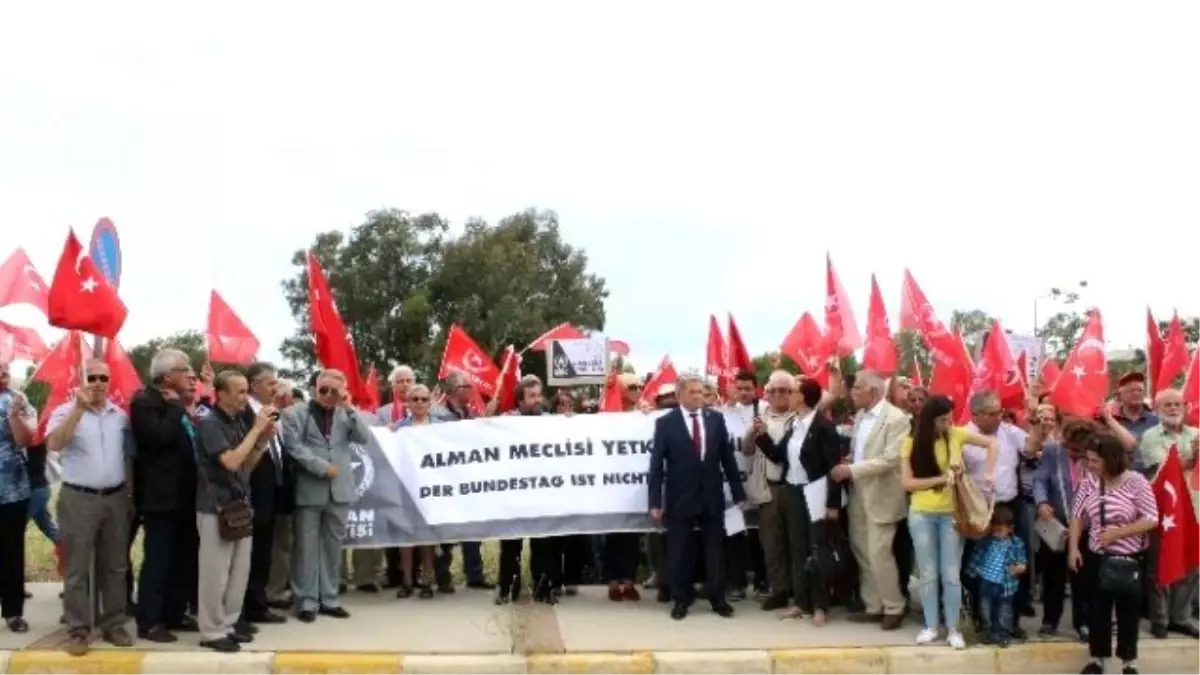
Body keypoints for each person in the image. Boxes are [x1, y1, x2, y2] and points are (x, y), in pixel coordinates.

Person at [48, 359, 135, 655]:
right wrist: (79, 410)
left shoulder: (119, 416)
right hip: (78, 498)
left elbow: (127, 456)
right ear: (82, 379)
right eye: (92, 377)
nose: (98, 382)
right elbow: (55, 444)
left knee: (115, 565)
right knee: (77, 567)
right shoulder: (64, 411)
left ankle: (113, 624)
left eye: (103, 377)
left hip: (115, 497)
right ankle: (78, 629)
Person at [901, 395, 997, 649]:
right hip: (921, 513)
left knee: (951, 574)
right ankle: (932, 625)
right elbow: (908, 483)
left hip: (952, 514)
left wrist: (988, 472)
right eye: (943, 419)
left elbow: (992, 444)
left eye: (949, 418)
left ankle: (954, 628)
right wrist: (942, 479)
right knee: (928, 573)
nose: (948, 423)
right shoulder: (911, 442)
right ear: (930, 419)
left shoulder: (956, 434)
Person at [648, 373, 745, 621]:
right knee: (679, 549)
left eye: (701, 392)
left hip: (711, 495)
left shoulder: (715, 419)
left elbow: (727, 458)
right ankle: (681, 599)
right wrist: (655, 502)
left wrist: (737, 492)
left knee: (715, 549)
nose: (699, 396)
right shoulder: (666, 423)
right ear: (680, 395)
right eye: (693, 392)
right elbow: (657, 465)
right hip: (679, 496)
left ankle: (718, 598)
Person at [195, 370, 277, 652]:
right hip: (215, 507)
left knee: (238, 572)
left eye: (246, 391)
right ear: (221, 394)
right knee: (215, 573)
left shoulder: (238, 423)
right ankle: (211, 630)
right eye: (240, 391)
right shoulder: (210, 423)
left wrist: (263, 440)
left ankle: (228, 624)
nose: (246, 397)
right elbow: (229, 461)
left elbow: (246, 464)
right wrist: (255, 429)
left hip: (240, 504)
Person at [752, 376, 843, 626]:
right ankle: (801, 602)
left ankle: (820, 605)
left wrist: (832, 504)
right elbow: (778, 455)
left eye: (791, 391)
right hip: (792, 491)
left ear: (801, 396)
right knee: (797, 549)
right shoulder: (795, 427)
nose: (785, 396)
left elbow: (833, 467)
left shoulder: (824, 428)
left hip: (816, 493)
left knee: (818, 549)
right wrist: (762, 436)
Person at [282, 369, 369, 622]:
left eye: (335, 391)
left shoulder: (346, 414)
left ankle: (329, 598)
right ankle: (307, 601)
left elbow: (364, 438)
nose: (329, 395)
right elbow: (293, 447)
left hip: (340, 491)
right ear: (313, 388)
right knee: (306, 549)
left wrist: (349, 407)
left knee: (332, 549)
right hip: (309, 489)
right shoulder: (294, 414)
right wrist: (320, 467)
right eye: (324, 389)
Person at [1069, 431, 1159, 675]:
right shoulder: (1088, 481)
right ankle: (1097, 658)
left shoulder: (1136, 481)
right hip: (1097, 556)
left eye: (1095, 460)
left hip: (1128, 558)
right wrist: (1074, 548)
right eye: (1088, 459)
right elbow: (1077, 515)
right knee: (1098, 610)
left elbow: (1151, 518)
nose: (1090, 465)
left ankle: (1129, 661)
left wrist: (1118, 533)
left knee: (1128, 612)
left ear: (1111, 459)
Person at [129, 348, 201, 642]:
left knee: (183, 559)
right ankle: (149, 621)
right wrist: (175, 410)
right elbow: (157, 437)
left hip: (187, 496)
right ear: (168, 375)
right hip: (161, 497)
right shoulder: (144, 402)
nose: (191, 376)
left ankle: (174, 612)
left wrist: (181, 409)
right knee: (158, 560)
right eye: (186, 371)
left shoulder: (181, 405)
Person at [830, 370, 911, 630]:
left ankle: (894, 606)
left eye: (856, 390)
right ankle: (874, 605)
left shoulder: (897, 419)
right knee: (862, 549)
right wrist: (850, 461)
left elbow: (890, 459)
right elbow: (861, 452)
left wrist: (851, 469)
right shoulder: (862, 416)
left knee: (879, 552)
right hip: (859, 493)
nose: (852, 394)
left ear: (872, 391)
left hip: (882, 495)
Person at [1032, 416, 1095, 642]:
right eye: (1072, 449)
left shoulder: (1096, 453)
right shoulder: (1053, 451)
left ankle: (1084, 622)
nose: (1075, 455)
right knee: (1053, 574)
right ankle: (1050, 619)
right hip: (1057, 523)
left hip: (1087, 525)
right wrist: (1041, 502)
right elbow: (1039, 480)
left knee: (1083, 577)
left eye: (1080, 451)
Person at [239, 363, 288, 626]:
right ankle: (246, 607)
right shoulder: (245, 412)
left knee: (263, 551)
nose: (275, 388)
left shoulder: (271, 412)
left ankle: (258, 604)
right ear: (254, 384)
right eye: (270, 383)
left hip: (271, 491)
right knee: (251, 552)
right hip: (252, 490)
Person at [393, 384, 440, 599]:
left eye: (424, 399)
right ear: (408, 403)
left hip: (432, 489)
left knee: (427, 538)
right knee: (406, 538)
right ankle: (407, 581)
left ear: (430, 403)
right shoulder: (398, 428)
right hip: (405, 487)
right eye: (415, 399)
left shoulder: (441, 427)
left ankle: (427, 581)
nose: (420, 403)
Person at [0, 362, 34, 633]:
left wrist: (14, 416)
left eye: (5, 371)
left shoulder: (18, 400)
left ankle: (13, 612)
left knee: (12, 552)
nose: (3, 375)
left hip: (13, 491)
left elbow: (26, 440)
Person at [967, 505, 1028, 647]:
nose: (997, 532)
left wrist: (1020, 567)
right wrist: (971, 572)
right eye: (994, 528)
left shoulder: (1016, 544)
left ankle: (1003, 633)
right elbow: (976, 557)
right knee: (985, 607)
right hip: (986, 581)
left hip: (1005, 584)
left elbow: (1022, 561)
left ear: (1010, 528)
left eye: (1001, 529)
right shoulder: (986, 541)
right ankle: (987, 631)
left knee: (1004, 610)